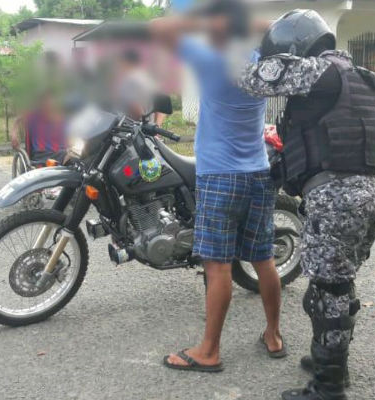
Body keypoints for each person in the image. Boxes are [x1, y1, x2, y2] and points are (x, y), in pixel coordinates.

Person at [236, 10, 375, 400]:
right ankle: (333, 362)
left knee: (326, 294)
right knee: (338, 285)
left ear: (295, 47)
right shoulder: (363, 77)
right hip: (371, 194)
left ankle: (328, 387)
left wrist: (235, 36)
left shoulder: (315, 72)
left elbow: (251, 78)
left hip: (337, 199)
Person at [150, 0, 286, 373]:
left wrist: (199, 17)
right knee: (264, 259)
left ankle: (209, 350)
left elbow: (157, 28)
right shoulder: (260, 61)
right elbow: (281, 25)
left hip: (219, 176)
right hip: (259, 171)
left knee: (219, 266)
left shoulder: (211, 58)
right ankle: (273, 335)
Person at [114, 48, 165, 125]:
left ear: (124, 62)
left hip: (130, 131)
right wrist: (156, 128)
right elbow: (162, 108)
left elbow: (136, 111)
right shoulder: (150, 79)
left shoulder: (128, 81)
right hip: (147, 131)